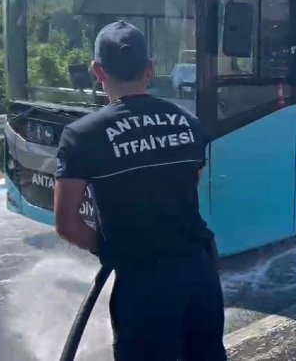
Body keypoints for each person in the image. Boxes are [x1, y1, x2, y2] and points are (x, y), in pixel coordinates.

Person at [53, 21, 227, 361]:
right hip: (200, 275)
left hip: (143, 285)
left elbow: (67, 223)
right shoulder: (188, 124)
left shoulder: (82, 136)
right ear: (149, 69)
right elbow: (185, 194)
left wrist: (110, 247)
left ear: (98, 71)